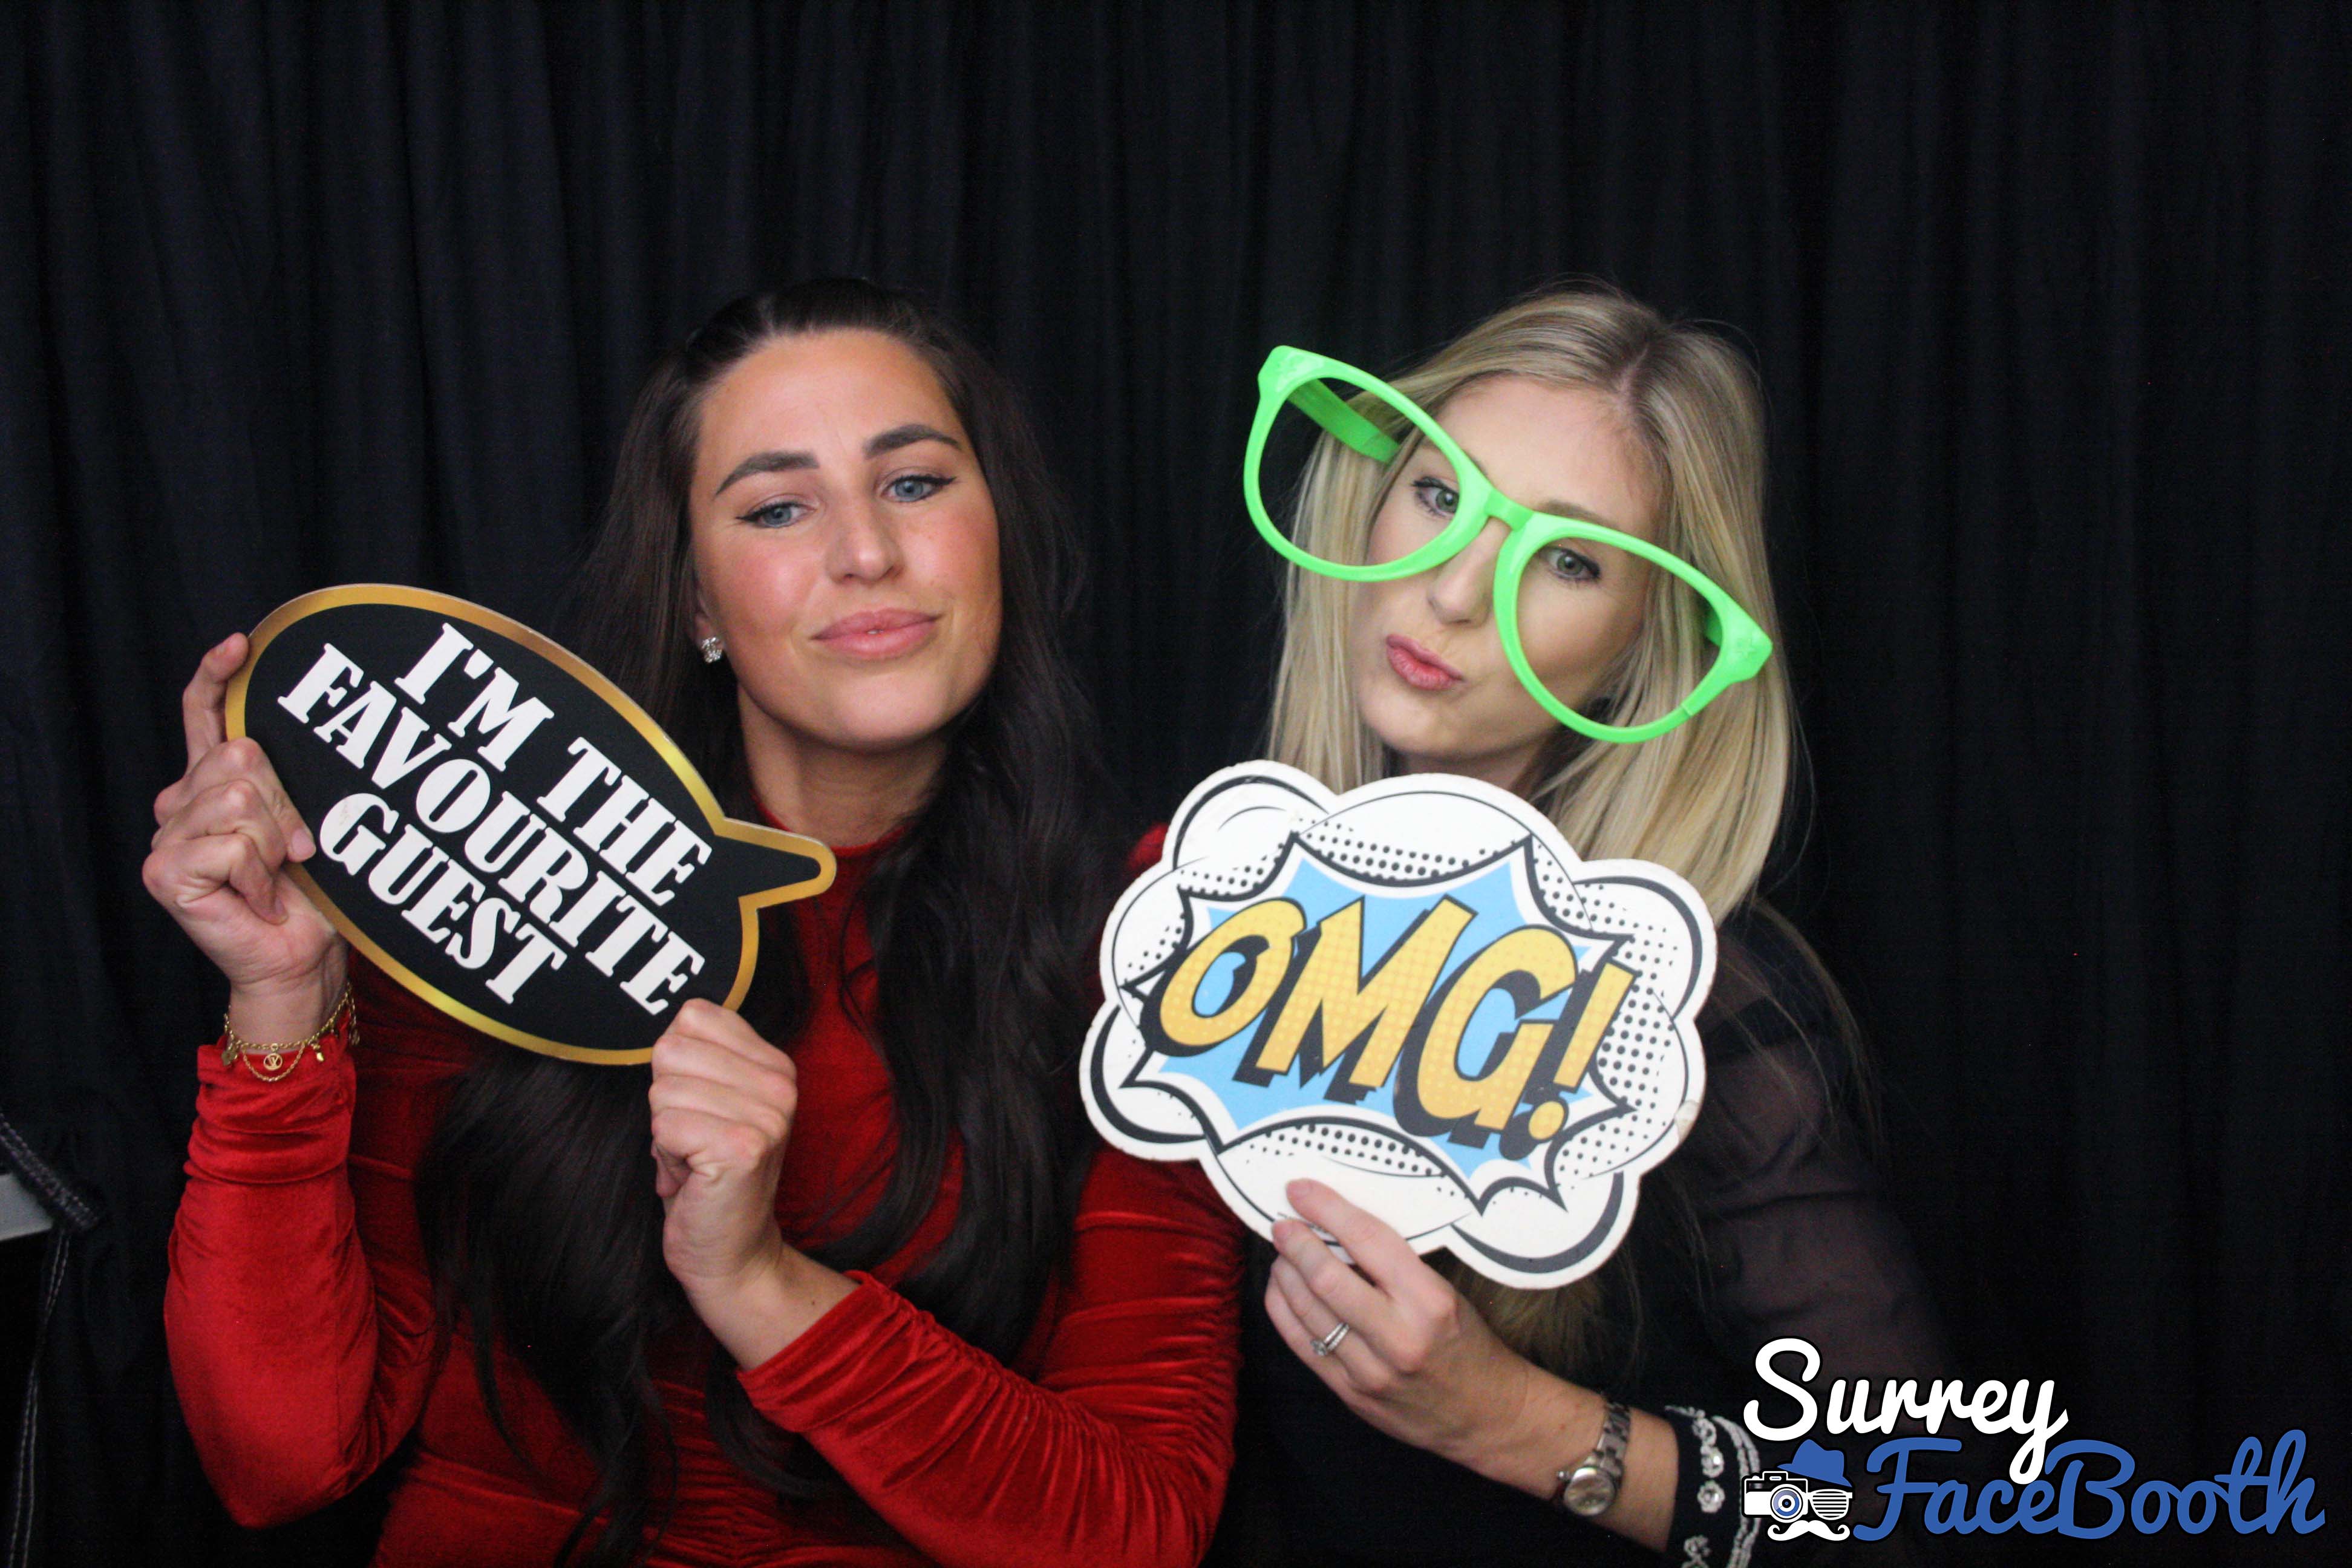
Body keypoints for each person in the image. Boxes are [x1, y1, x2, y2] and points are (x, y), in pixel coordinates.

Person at [149, 279, 1243, 1568]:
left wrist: (759, 1281)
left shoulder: (1166, 930)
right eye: (778, 507)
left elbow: (1137, 1529)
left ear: (998, 528)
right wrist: (284, 1000)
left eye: (914, 484)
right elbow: (282, 1462)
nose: (867, 554)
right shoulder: (489, 874)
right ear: (699, 604)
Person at [1230, 286, 1949, 1567]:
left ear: (1642, 648)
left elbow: (1906, 1503)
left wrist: (1516, 1421)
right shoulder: (1223, 902)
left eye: (1568, 561)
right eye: (1441, 494)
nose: (1455, 590)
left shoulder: (1704, 1012)